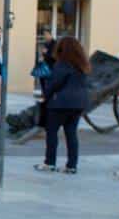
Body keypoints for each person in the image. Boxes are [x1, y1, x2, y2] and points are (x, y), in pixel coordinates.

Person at [36, 35, 91, 174]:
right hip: (79, 103)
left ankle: (50, 162)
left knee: (52, 132)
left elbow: (54, 83)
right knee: (71, 133)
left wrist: (45, 95)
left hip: (61, 103)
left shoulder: (62, 64)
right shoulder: (82, 65)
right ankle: (71, 165)